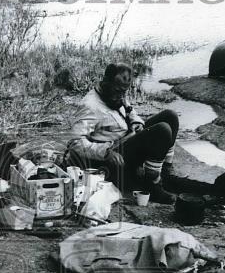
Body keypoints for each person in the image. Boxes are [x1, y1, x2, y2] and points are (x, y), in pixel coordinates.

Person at [66, 62, 179, 203]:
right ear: (106, 82)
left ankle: (165, 173)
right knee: (162, 130)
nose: (121, 96)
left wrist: (136, 122)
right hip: (113, 160)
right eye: (118, 91)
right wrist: (105, 152)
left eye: (124, 92)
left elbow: (130, 110)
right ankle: (152, 186)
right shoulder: (90, 105)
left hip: (127, 141)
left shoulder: (115, 94)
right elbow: (75, 143)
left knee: (170, 116)